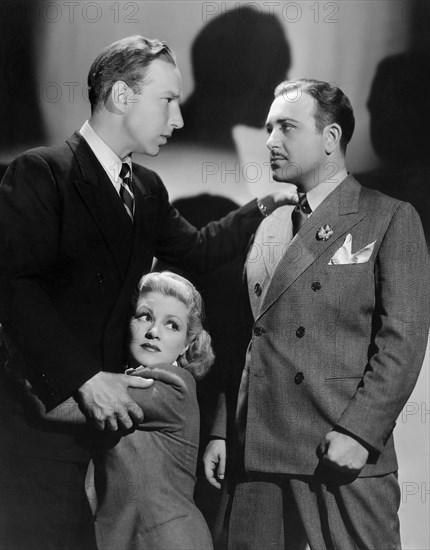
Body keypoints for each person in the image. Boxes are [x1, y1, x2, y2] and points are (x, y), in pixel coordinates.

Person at [0, 35, 298, 550]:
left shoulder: (146, 189)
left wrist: (264, 207)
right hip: (34, 434)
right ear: (121, 97)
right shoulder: (41, 172)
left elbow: (200, 251)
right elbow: (11, 285)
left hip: (101, 434)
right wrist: (86, 378)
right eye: (167, 100)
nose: (178, 119)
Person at [204, 79, 430, 550]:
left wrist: (359, 433)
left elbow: (402, 340)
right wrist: (226, 429)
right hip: (256, 451)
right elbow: (249, 337)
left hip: (336, 448)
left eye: (286, 127)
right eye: (268, 129)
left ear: (330, 138)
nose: (270, 141)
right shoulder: (266, 227)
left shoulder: (389, 216)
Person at [36, 271, 215, 550]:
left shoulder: (171, 385)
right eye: (145, 316)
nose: (153, 331)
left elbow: (54, 408)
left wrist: (19, 345)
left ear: (188, 345)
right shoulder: (129, 378)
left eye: (172, 325)